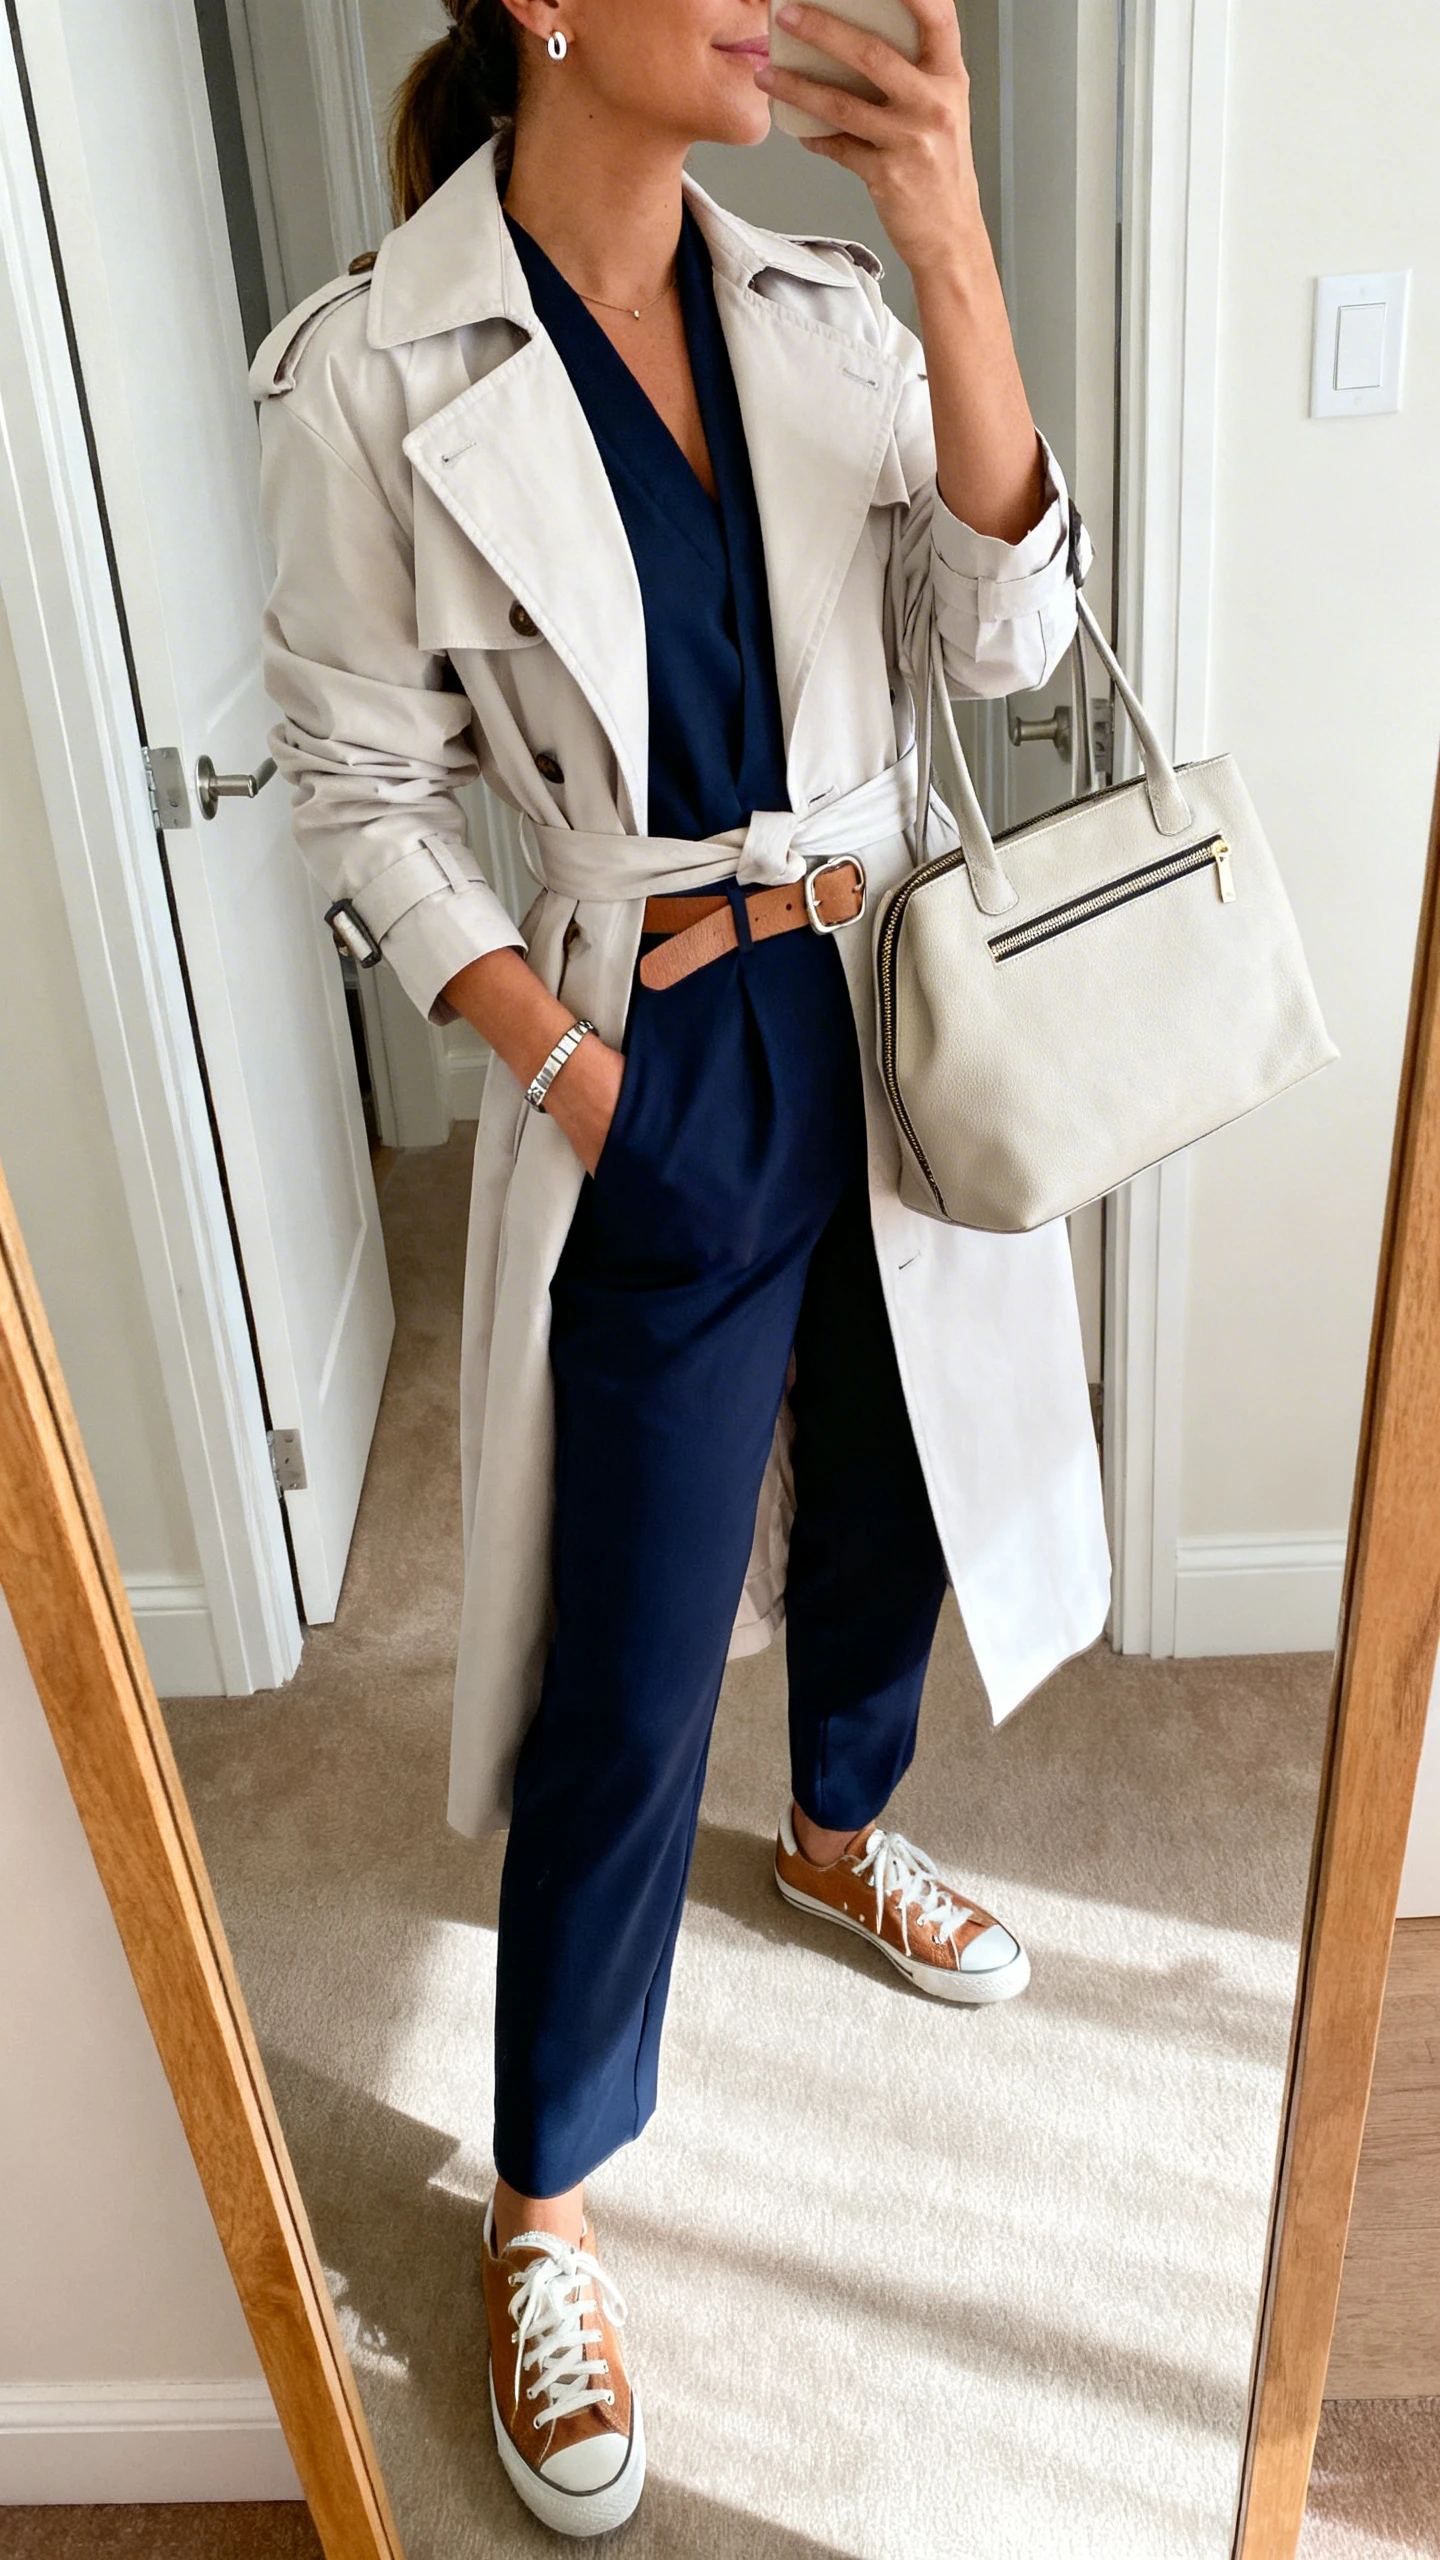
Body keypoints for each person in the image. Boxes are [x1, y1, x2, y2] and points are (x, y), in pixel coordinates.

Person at [250, 0, 1110, 2532]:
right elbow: (352, 792)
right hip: (655, 1057)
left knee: (893, 1492)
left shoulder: (836, 312)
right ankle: (545, 2190)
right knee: (624, 1657)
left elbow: (1017, 649)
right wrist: (568, 1067)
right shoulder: (371, 372)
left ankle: (846, 1818)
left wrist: (952, 247)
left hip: (893, 1010)